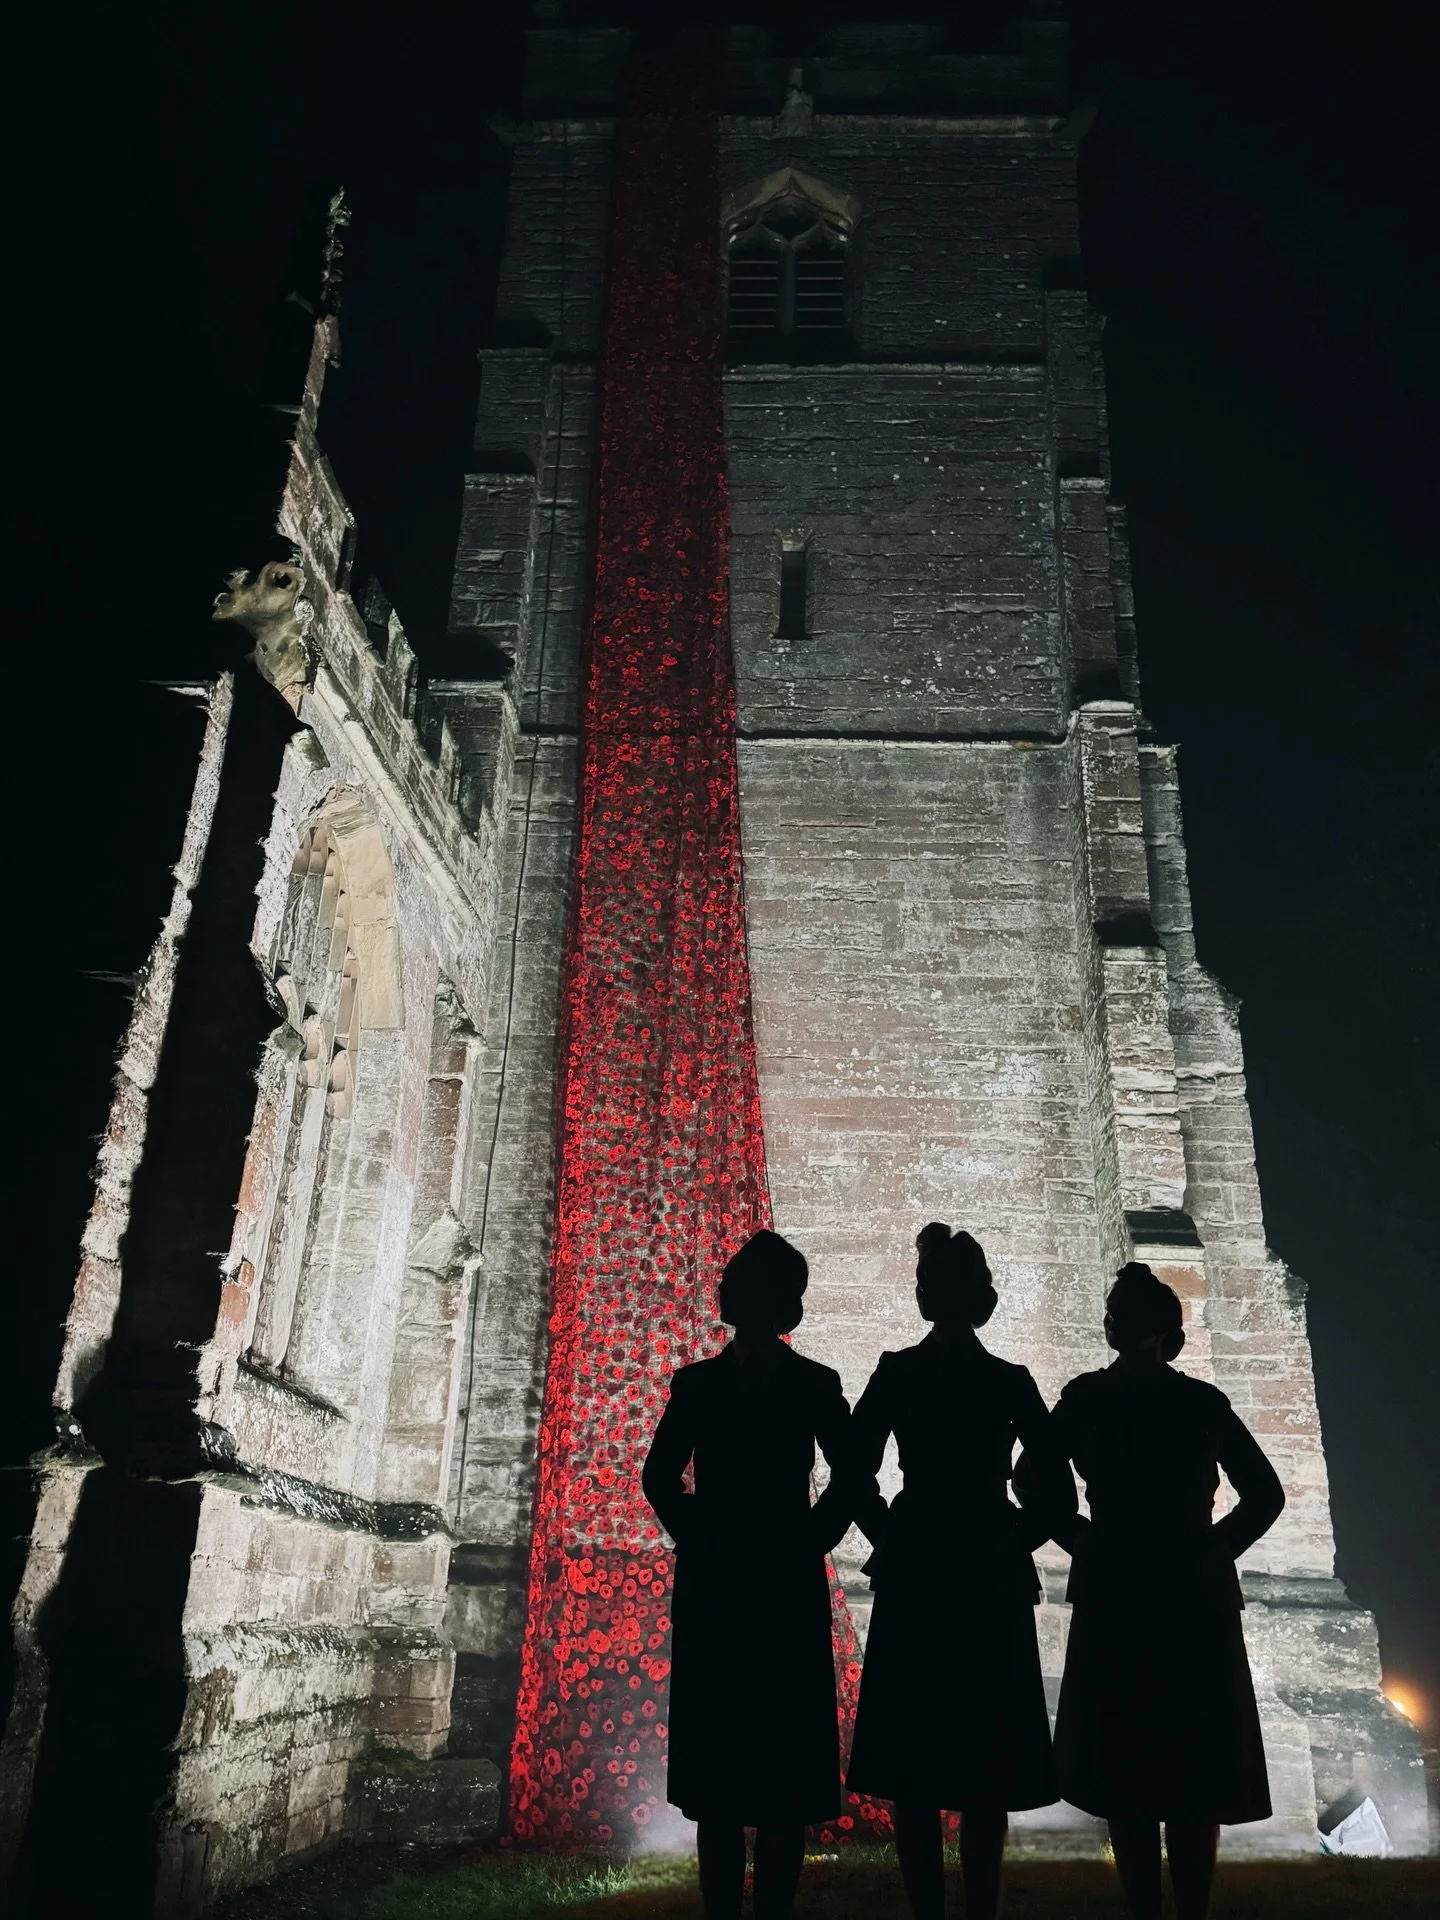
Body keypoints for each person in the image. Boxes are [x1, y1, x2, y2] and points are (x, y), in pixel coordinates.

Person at [1027, 1262, 1286, 1920]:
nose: (1114, 1318)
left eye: (1122, 1309)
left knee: (1137, 1766)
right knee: (1169, 1764)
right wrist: (1211, 1549)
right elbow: (1263, 1494)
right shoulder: (1192, 1403)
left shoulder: (1094, 1398)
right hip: (1182, 1590)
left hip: (1130, 1586)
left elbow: (1033, 1476)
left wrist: (1080, 1537)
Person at [846, 1223, 1075, 1920]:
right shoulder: (1003, 1380)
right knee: (980, 1765)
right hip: (980, 1566)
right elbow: (1055, 1493)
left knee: (944, 1766)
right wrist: (1011, 1539)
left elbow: (856, 1474)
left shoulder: (903, 1373)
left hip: (941, 1567)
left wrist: (894, 1535)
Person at [641, 1229, 852, 1920]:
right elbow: (658, 1476)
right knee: (719, 1779)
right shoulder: (697, 1384)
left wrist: (808, 1542)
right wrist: (701, 1539)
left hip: (779, 1591)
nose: (723, 1284)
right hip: (722, 1592)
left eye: (737, 1276)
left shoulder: (814, 1385)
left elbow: (851, 1480)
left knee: (783, 1779)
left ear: (771, 1297)